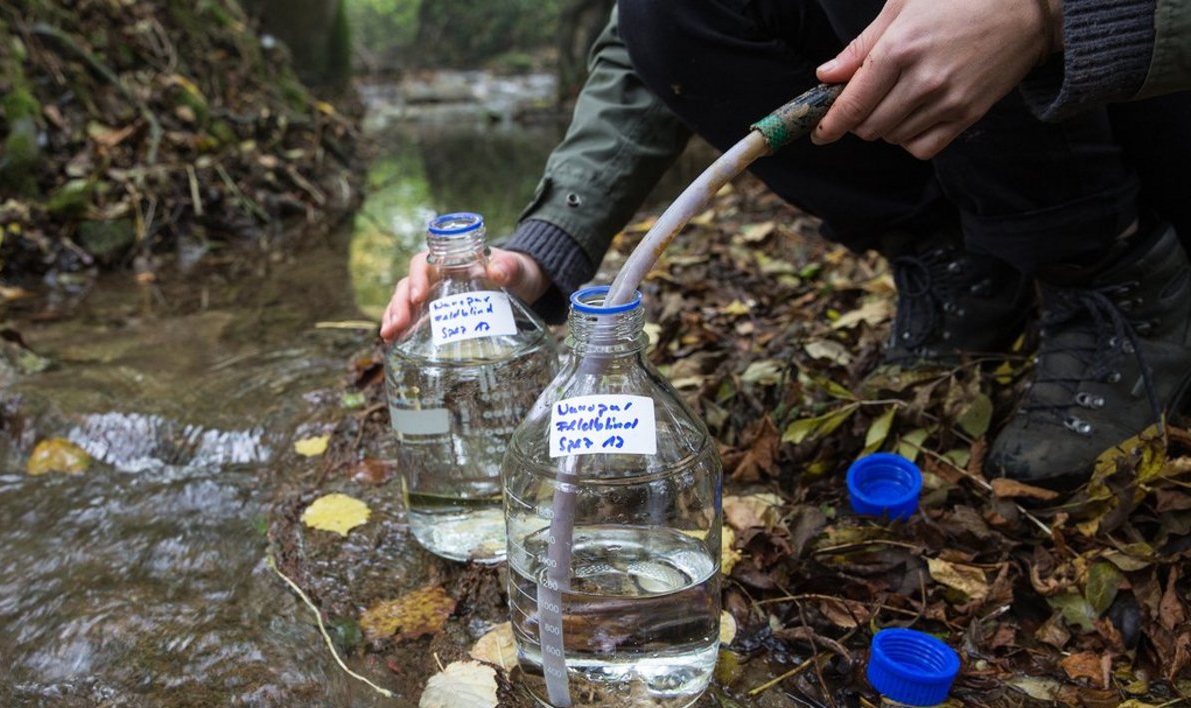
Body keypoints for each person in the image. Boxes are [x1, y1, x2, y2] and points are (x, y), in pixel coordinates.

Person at [381, 0, 1191, 490]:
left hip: (1144, 83)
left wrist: (1042, 12)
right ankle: (960, 261)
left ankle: (1111, 275)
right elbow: (647, 45)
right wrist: (545, 246)